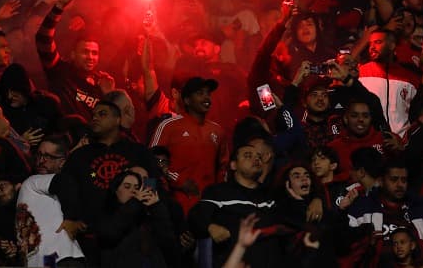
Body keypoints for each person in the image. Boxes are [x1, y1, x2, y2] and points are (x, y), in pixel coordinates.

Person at [49, 100, 158, 266]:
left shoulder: (138, 152)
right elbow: (67, 187)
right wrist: (72, 218)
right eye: (93, 115)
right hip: (93, 239)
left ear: (118, 120)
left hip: (132, 234)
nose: (95, 118)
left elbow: (153, 183)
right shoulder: (80, 156)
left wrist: (149, 213)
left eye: (102, 114)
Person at [188, 143, 284, 268]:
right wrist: (210, 226)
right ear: (233, 165)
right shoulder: (219, 192)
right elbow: (196, 215)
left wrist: (317, 200)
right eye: (248, 156)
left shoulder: (271, 195)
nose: (256, 159)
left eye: (259, 157)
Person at [35, 0, 115, 121]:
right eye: (85, 52)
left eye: (94, 53)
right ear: (73, 54)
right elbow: (43, 38)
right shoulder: (60, 71)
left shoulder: (102, 82)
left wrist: (110, 96)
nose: (90, 57)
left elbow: (110, 123)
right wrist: (59, 6)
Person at [150, 77, 227, 214]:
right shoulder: (168, 126)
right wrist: (178, 180)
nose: (206, 97)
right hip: (175, 208)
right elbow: (150, 161)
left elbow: (223, 168)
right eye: (200, 93)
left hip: (209, 210)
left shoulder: (218, 131)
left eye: (208, 93)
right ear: (187, 100)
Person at [346, 158, 423, 265]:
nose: (400, 185)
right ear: (381, 181)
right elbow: (350, 251)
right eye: (394, 179)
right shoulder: (361, 208)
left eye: (404, 180)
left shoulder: (421, 207)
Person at [16, 135, 84, 267]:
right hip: (50, 261)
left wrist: (71, 218)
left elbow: (65, 182)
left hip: (59, 260)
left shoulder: (33, 182)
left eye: (48, 157)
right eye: (39, 155)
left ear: (62, 162)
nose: (41, 161)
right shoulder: (44, 187)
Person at [97, 169, 178, 268]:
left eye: (136, 187)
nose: (133, 191)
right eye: (127, 187)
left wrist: (156, 207)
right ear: (116, 190)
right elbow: (109, 233)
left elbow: (169, 244)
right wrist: (134, 203)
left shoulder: (145, 214)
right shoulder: (107, 214)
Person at [358, 29, 420, 133]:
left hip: (401, 143)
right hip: (371, 141)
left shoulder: (410, 77)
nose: (372, 48)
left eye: (378, 42)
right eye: (370, 44)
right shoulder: (360, 72)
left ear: (392, 45)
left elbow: (416, 113)